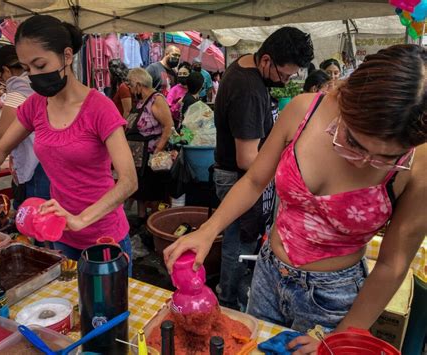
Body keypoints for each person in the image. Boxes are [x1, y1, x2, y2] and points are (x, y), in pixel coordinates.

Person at [164, 44, 427, 354]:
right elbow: (254, 179)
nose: (362, 161)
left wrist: (338, 338)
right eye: (353, 141)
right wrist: (209, 230)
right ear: (345, 97)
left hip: (335, 301)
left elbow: (392, 264)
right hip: (268, 275)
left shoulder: (420, 164)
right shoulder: (304, 110)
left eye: (385, 158)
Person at [0, 15, 138, 273]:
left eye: (40, 65)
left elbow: (129, 181)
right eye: (27, 69)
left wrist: (81, 219)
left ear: (67, 56)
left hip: (104, 238)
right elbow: (2, 148)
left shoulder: (100, 108)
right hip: (59, 235)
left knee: (109, 310)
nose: (34, 76)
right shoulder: (35, 106)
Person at [210, 27, 314, 311]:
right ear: (266, 60)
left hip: (236, 174)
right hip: (238, 177)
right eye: (284, 75)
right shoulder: (249, 91)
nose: (285, 81)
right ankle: (229, 301)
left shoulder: (247, 64)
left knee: (240, 240)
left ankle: (231, 293)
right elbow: (247, 158)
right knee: (238, 245)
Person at [0, 44, 51, 211]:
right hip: (51, 157)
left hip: (36, 164)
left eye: (0, 76)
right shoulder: (39, 84)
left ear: (6, 70)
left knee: (37, 213)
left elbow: (2, 134)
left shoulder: (18, 89)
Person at [127, 68, 173, 221]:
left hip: (151, 156)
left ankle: (154, 222)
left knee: (153, 192)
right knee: (140, 190)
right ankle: (141, 219)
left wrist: (157, 151)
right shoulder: (141, 101)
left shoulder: (156, 99)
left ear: (139, 85)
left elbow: (168, 126)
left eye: (132, 86)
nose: (131, 90)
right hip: (139, 157)